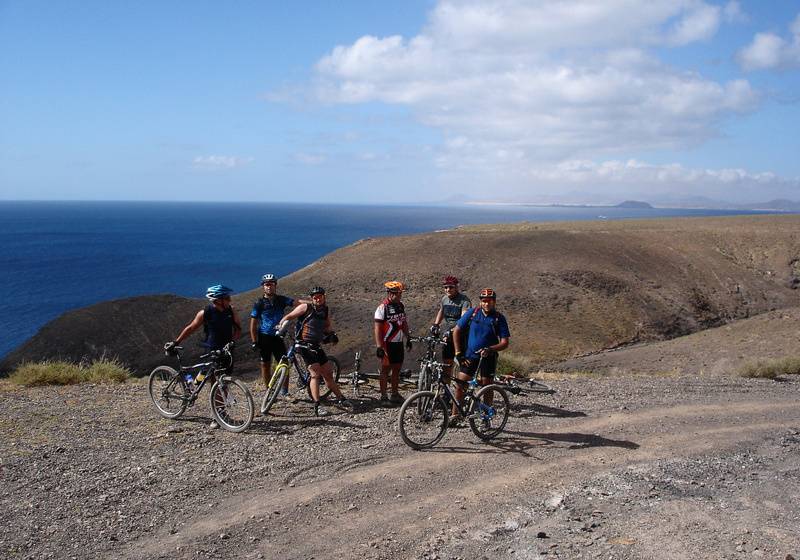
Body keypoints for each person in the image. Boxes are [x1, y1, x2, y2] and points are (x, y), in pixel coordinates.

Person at [164, 284, 242, 429]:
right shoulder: (205, 313)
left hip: (227, 350)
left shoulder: (231, 310)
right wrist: (176, 342)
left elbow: (238, 328)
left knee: (223, 380)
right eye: (226, 298)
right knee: (215, 381)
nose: (230, 300)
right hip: (212, 349)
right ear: (217, 300)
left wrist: (232, 341)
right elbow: (191, 328)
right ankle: (218, 415)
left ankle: (194, 384)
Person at [278, 286, 347, 416]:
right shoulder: (306, 307)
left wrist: (332, 334)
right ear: (312, 298)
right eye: (315, 297)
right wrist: (280, 325)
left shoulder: (325, 310)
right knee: (315, 374)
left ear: (324, 297)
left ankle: (341, 398)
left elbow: (327, 326)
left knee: (328, 374)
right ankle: (317, 405)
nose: (318, 299)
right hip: (303, 345)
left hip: (316, 345)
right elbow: (289, 316)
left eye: (320, 296)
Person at [451, 288, 510, 421]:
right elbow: (456, 331)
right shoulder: (473, 313)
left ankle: (486, 417)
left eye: (489, 301)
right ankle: (455, 415)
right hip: (470, 356)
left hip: (488, 357)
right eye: (484, 301)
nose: (487, 303)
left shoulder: (499, 318)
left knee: (487, 387)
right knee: (460, 385)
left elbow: (505, 343)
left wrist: (491, 349)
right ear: (480, 302)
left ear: (494, 302)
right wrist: (458, 353)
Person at [249, 273, 298, 397]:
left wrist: (312, 302)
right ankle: (268, 391)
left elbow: (296, 303)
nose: (269, 287)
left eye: (271, 284)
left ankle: (285, 391)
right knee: (265, 364)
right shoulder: (259, 303)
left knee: (284, 363)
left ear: (275, 286)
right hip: (264, 337)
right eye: (267, 284)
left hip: (278, 336)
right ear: (263, 287)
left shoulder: (281, 300)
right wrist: (254, 341)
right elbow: (253, 324)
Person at [374, 281, 412, 404]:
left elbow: (403, 323)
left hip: (398, 343)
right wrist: (379, 347)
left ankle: (394, 394)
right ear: (390, 293)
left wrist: (408, 338)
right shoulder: (382, 308)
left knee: (397, 369)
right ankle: (383, 396)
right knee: (385, 370)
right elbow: (377, 329)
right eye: (397, 294)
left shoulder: (401, 305)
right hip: (387, 344)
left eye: (400, 294)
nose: (400, 296)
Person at [429, 275, 471, 378]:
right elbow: (441, 311)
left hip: (461, 335)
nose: (448, 289)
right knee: (447, 363)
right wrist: (436, 324)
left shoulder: (464, 300)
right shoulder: (444, 299)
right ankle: (446, 386)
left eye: (451, 287)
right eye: (446, 287)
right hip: (449, 333)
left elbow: (463, 319)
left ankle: (462, 385)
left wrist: (452, 331)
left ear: (456, 287)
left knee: (462, 363)